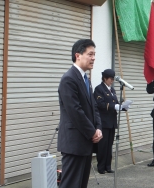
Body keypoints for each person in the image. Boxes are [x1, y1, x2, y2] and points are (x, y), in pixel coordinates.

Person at [57, 39, 103, 188]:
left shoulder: (85, 79)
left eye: (94, 54)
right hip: (74, 143)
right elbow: (75, 111)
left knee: (81, 184)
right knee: (70, 184)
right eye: (90, 54)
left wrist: (98, 128)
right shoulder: (68, 79)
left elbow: (93, 107)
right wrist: (92, 132)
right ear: (78, 55)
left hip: (86, 141)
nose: (94, 58)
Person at [94, 69, 125, 174]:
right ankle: (101, 167)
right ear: (105, 78)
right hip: (103, 122)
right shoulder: (99, 89)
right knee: (102, 146)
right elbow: (100, 104)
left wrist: (121, 106)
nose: (112, 81)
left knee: (109, 145)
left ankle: (108, 166)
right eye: (110, 79)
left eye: (113, 79)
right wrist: (114, 106)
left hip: (111, 122)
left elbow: (115, 102)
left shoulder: (112, 90)